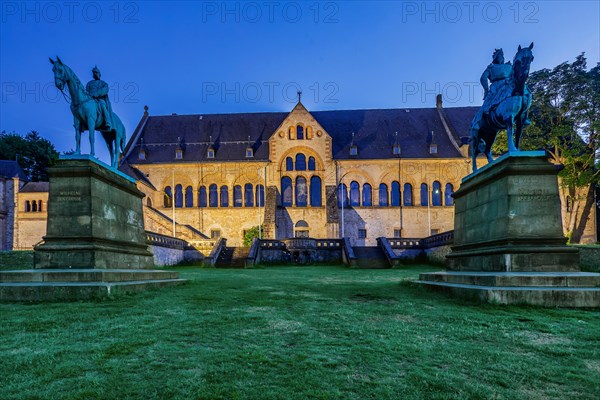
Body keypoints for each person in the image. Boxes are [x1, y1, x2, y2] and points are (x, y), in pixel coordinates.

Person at [85, 66, 113, 131]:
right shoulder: (89, 83)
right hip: (89, 99)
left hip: (99, 99)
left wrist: (95, 94)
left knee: (103, 106)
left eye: (96, 73)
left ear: (99, 74)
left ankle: (107, 122)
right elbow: (86, 91)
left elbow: (105, 90)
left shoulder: (103, 83)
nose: (95, 74)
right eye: (94, 73)